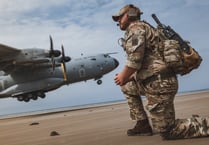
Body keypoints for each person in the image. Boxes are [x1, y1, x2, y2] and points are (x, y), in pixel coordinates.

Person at [112, 4, 209, 140]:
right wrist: (128, 78)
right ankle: (143, 125)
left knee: (168, 131)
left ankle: (205, 125)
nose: (118, 21)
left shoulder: (136, 28)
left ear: (129, 15)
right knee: (127, 86)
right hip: (153, 81)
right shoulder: (146, 28)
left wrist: (123, 75)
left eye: (119, 17)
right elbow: (148, 62)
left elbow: (135, 58)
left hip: (159, 83)